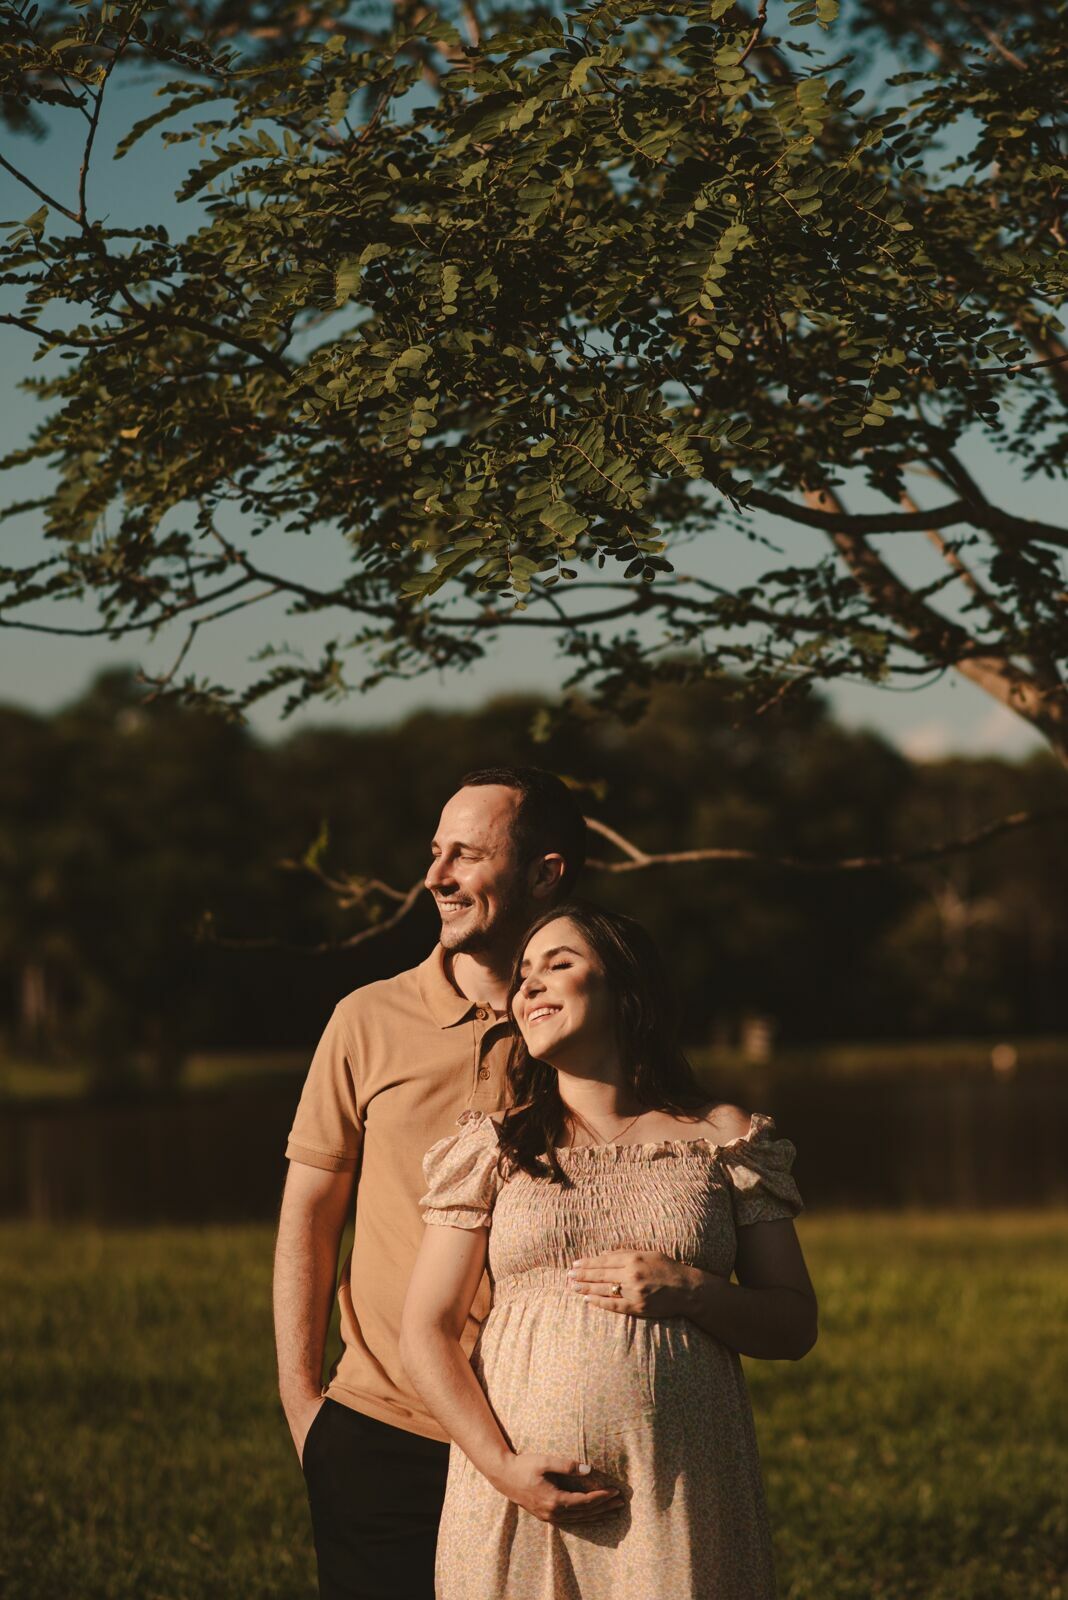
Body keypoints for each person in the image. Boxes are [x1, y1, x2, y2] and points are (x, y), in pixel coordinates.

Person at [400, 903, 818, 1600]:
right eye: (523, 974)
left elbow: (795, 1323)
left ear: (627, 990)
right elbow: (427, 1331)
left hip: (678, 1496)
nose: (528, 985)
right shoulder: (493, 1146)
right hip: (517, 1496)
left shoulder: (722, 1137)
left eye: (558, 965)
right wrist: (503, 1469)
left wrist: (693, 1291)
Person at [272, 767, 592, 1600]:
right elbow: (308, 1218)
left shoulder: (600, 1028)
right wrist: (306, 1410)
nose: (436, 877)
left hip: (551, 1434)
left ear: (545, 873)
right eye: (434, 853)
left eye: (467, 855)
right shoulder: (365, 1020)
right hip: (384, 1438)